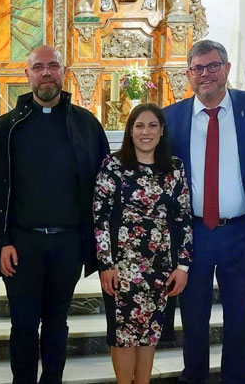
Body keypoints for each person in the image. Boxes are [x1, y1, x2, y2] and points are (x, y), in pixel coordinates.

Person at [0, 45, 109, 384]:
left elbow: (103, 186)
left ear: (63, 71)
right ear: (27, 74)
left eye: (53, 65)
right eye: (39, 67)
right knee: (24, 325)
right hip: (22, 245)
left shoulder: (85, 124)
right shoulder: (9, 126)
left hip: (67, 244)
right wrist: (3, 241)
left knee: (57, 323)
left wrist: (93, 245)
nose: (46, 73)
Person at [163, 39, 245, 384]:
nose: (205, 74)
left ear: (226, 68)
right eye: (198, 68)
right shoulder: (171, 117)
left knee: (240, 315)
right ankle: (193, 377)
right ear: (188, 75)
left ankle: (237, 378)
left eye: (212, 66)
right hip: (193, 233)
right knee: (193, 315)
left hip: (240, 231)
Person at [93, 103, 193, 384]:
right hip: (122, 267)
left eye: (152, 125)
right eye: (139, 126)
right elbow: (100, 218)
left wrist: (183, 265)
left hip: (161, 266)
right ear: (130, 131)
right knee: (123, 335)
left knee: (150, 333)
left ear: (161, 131)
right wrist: (106, 265)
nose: (145, 132)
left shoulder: (174, 168)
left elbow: (184, 217)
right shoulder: (113, 166)